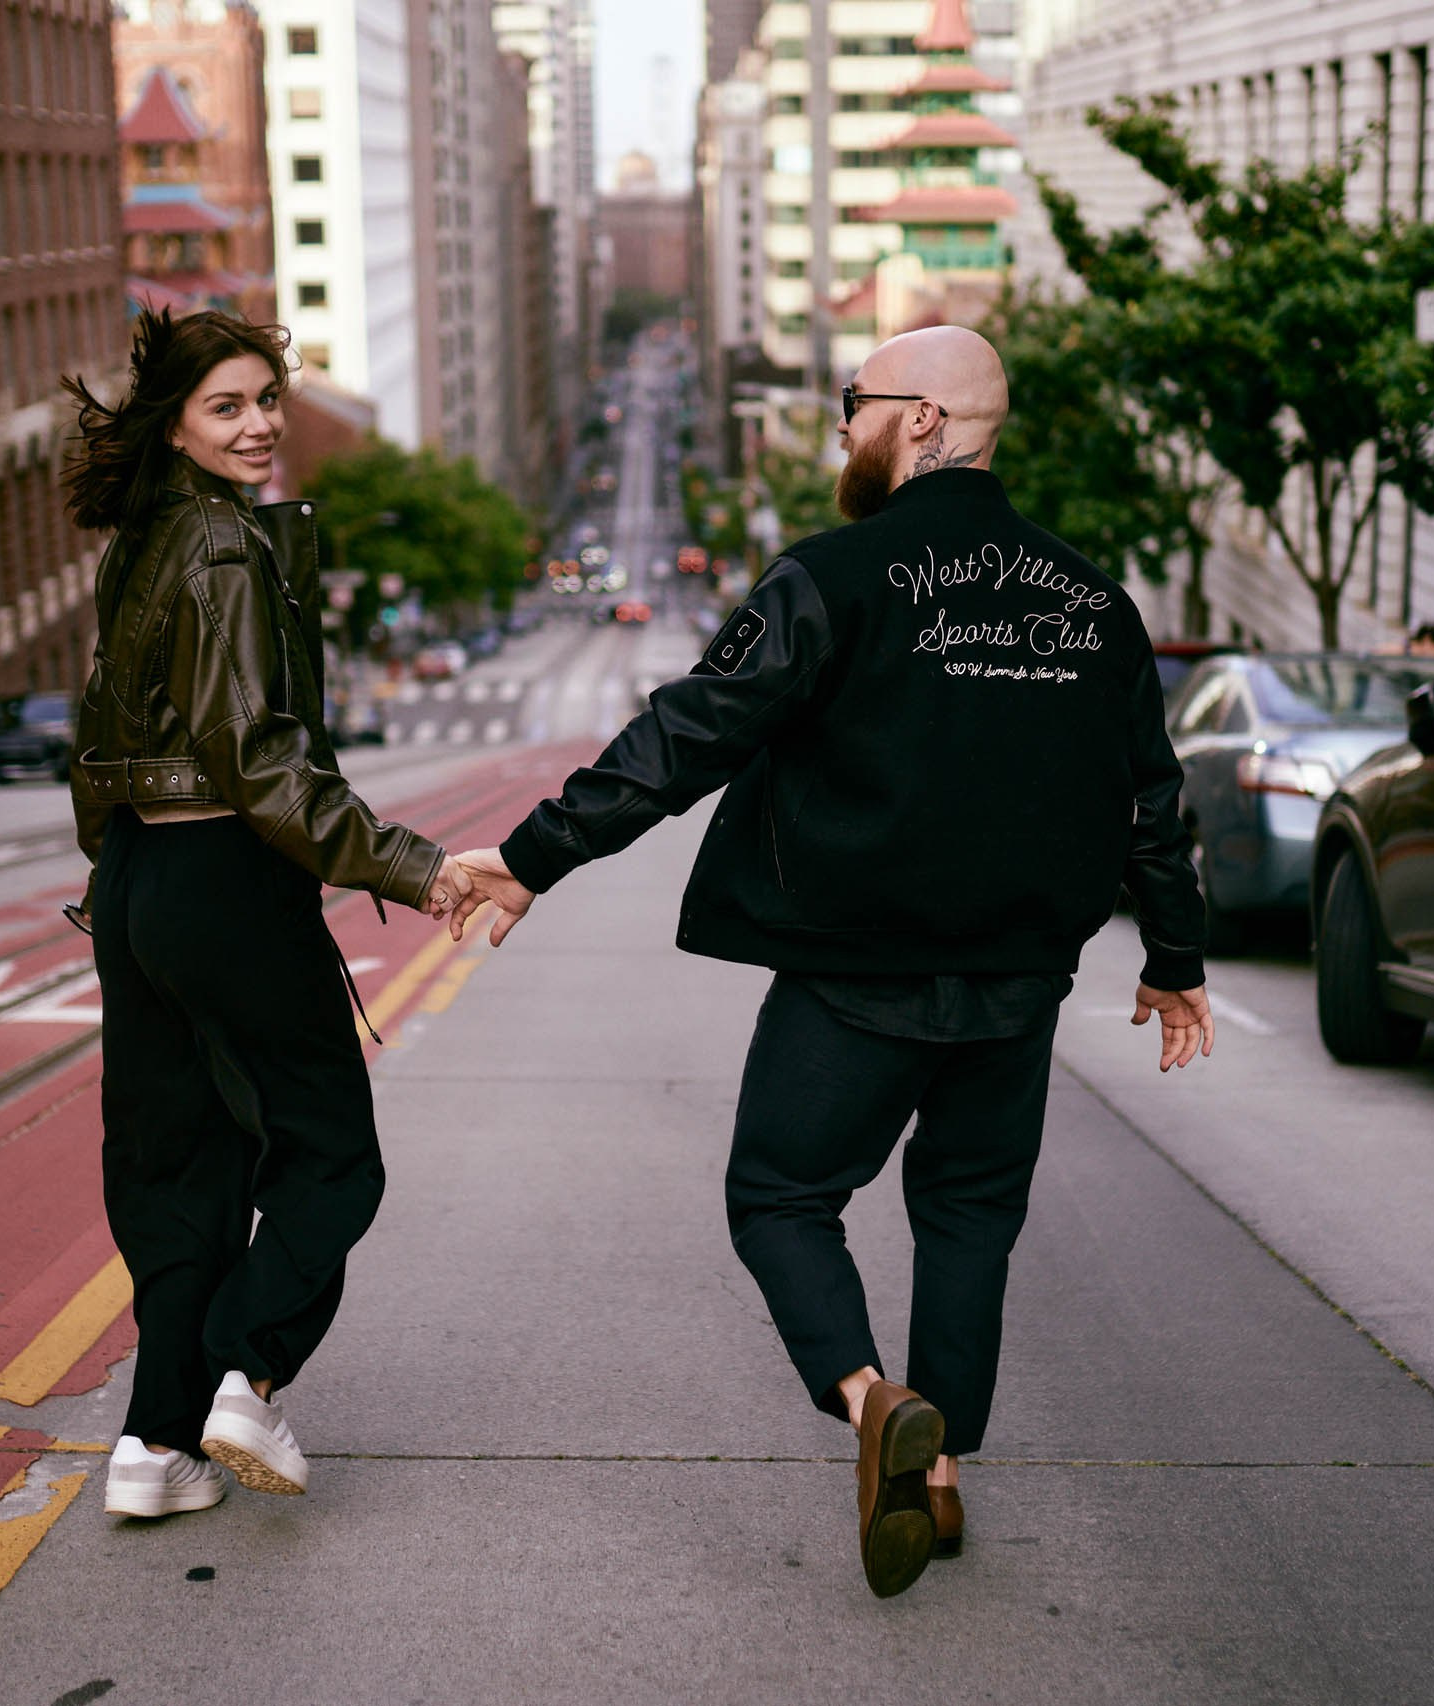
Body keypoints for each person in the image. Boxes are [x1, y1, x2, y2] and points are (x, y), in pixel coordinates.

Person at [445, 326, 1214, 1598]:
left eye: (855, 403)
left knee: (781, 1196)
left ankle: (872, 1403)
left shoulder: (834, 577)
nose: (840, 427)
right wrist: (1174, 956)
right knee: (969, 1216)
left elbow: (689, 731)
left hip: (858, 976)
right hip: (1018, 985)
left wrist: (534, 856)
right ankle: (941, 1472)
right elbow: (1149, 797)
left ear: (920, 421)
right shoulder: (1094, 602)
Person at [63, 307, 469, 1520]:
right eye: (225, 406)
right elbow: (262, 765)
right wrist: (421, 868)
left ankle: (150, 1447)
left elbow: (96, 741)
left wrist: (128, 881)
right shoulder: (226, 553)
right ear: (176, 424)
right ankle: (245, 1372)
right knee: (329, 1151)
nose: (258, 425)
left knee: (177, 1168)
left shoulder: (138, 542)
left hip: (141, 883)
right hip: (227, 879)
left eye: (265, 399)